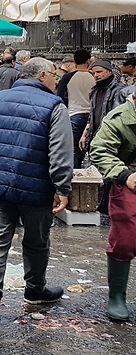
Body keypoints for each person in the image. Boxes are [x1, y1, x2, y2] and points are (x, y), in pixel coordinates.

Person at [0, 58, 72, 322]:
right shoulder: (54, 105)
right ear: (41, 76)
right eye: (54, 75)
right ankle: (35, 289)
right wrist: (62, 187)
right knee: (37, 242)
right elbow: (60, 152)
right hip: (37, 188)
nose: (56, 80)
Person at [89, 93, 136, 322]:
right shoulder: (118, 118)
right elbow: (99, 150)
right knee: (125, 238)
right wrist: (125, 175)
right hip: (128, 181)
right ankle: (117, 295)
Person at [82, 60, 136, 154]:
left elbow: (119, 117)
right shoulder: (95, 91)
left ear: (109, 71)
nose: (96, 75)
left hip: (112, 138)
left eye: (99, 72)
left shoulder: (120, 90)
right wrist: (85, 134)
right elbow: (92, 115)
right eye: (93, 73)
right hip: (96, 136)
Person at [56, 49, 95, 169]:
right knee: (89, 147)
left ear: (74, 61)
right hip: (91, 116)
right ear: (88, 61)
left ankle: (74, 173)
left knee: (73, 148)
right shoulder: (94, 77)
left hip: (73, 114)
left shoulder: (67, 77)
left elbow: (59, 96)